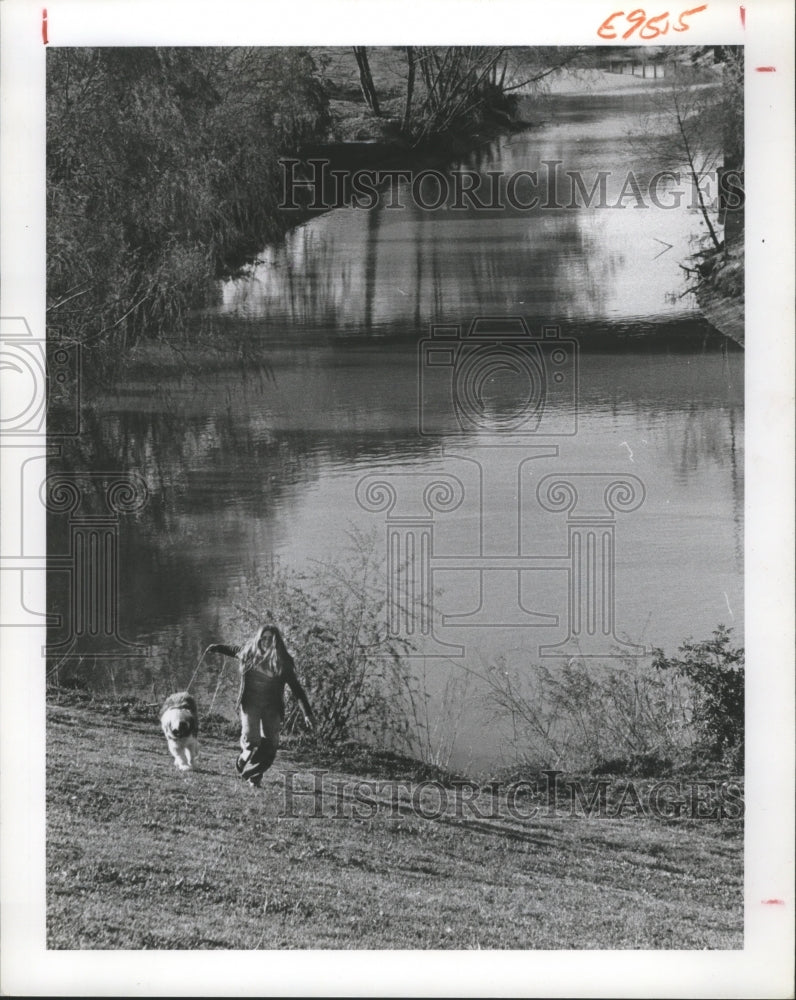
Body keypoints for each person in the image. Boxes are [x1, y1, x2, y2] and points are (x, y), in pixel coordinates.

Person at [208, 624, 314, 785]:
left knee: (270, 744)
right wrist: (217, 648)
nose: (266, 642)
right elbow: (233, 649)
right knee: (252, 741)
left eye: (270, 639)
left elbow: (297, 689)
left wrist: (307, 713)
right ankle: (243, 759)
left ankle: (254, 777)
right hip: (250, 704)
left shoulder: (283, 662)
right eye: (263, 638)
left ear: (276, 641)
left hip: (272, 707)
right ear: (258, 640)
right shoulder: (249, 654)